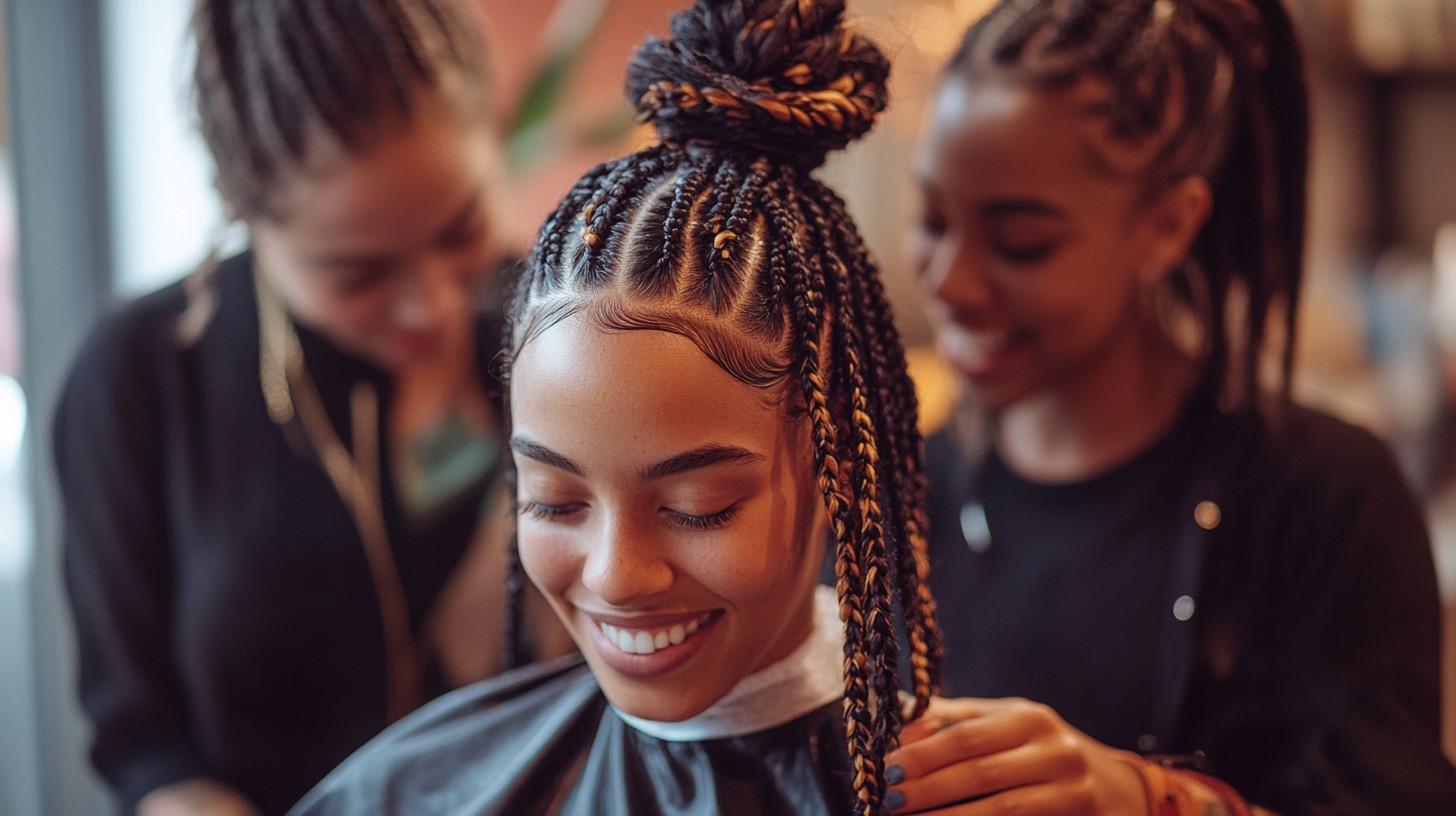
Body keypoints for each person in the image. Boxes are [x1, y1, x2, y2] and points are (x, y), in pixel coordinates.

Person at [289, 0, 947, 814]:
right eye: (554, 502)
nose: (614, 576)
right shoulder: (404, 793)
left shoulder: (970, 785)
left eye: (697, 508)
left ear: (840, 466)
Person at [895, 0, 1456, 814]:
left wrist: (1144, 798)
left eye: (1022, 242)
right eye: (931, 220)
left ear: (1166, 224)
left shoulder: (1324, 500)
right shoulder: (907, 498)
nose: (949, 280)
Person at [54, 1, 570, 814]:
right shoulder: (139, 378)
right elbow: (143, 740)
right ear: (244, 215)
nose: (429, 308)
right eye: (358, 275)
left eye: (460, 229)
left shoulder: (558, 326)